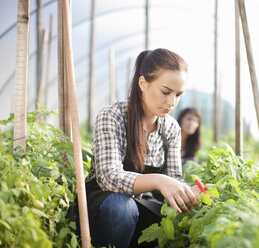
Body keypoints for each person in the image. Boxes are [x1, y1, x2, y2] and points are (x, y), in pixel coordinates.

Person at [84, 48, 203, 248]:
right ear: (142, 83)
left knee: (175, 222)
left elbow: (174, 179)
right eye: (165, 92)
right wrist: (158, 180)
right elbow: (108, 177)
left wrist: (185, 194)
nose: (172, 102)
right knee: (121, 207)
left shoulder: (171, 128)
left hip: (142, 205)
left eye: (178, 95)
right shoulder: (112, 117)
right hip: (105, 208)